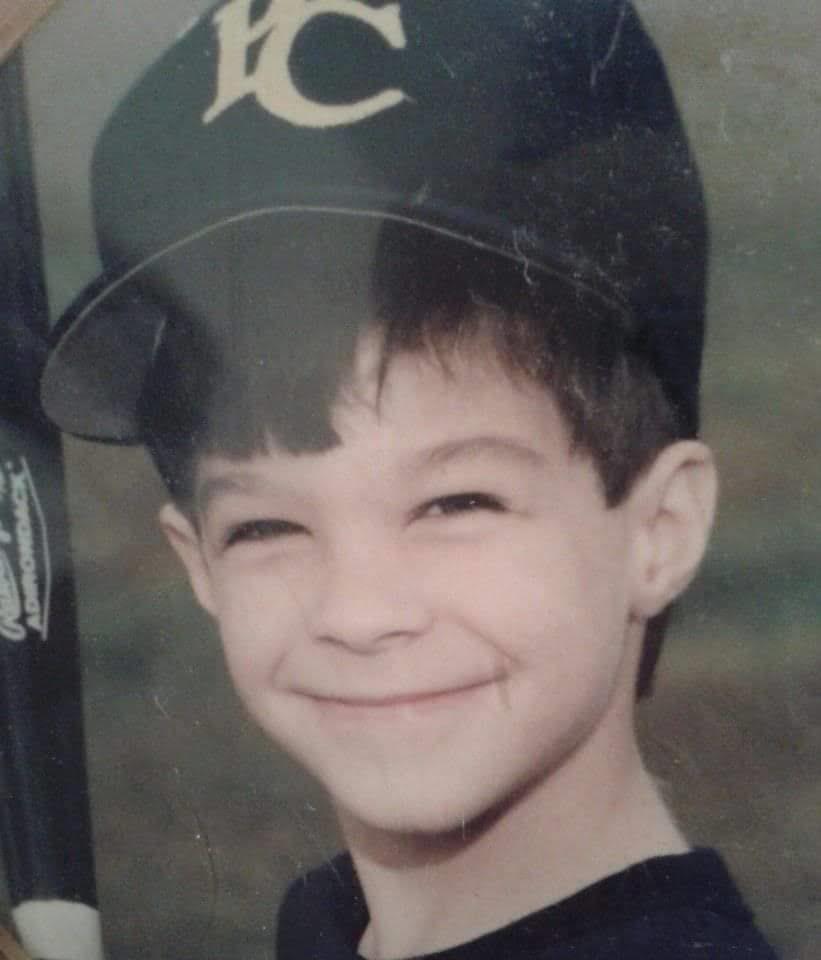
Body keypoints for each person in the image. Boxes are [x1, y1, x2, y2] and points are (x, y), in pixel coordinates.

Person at [41, 0, 779, 957]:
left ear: (661, 526)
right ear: (197, 561)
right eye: (265, 526)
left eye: (455, 501)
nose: (359, 611)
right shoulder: (327, 927)